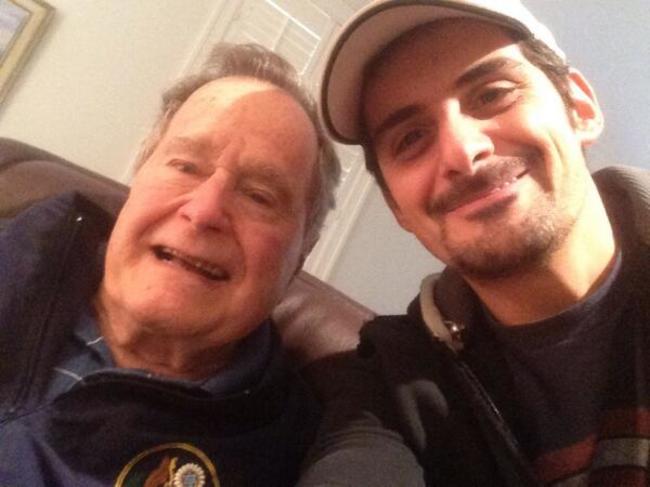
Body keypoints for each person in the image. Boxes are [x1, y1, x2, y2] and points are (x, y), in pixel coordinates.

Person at [299, 0, 650, 485]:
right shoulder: (392, 384)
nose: (463, 152)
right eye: (411, 138)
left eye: (492, 94)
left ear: (581, 109)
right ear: (397, 208)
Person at [0, 43, 340, 486]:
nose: (203, 210)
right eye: (185, 166)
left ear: (302, 253)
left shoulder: (300, 461)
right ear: (138, 176)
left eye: (259, 196)